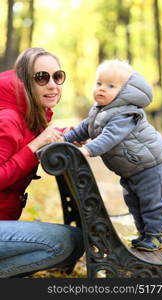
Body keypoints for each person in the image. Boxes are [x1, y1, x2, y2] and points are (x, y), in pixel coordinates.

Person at [63, 59, 162, 252]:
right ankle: (143, 234)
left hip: (150, 166)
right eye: (99, 84)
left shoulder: (125, 114)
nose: (102, 89)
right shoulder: (100, 111)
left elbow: (110, 137)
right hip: (132, 170)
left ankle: (154, 237)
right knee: (134, 202)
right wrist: (66, 139)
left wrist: (87, 150)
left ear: (124, 91)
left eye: (110, 86)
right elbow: (83, 129)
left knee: (151, 202)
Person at [0, 47, 84, 278]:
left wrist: (76, 135)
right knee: (63, 242)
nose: (53, 85)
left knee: (76, 242)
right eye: (41, 78)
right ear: (26, 83)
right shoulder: (8, 119)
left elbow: (41, 136)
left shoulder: (28, 116)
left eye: (57, 76)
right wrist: (35, 146)